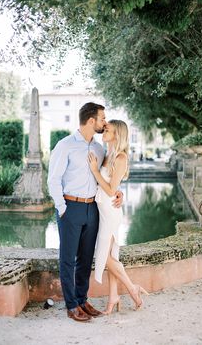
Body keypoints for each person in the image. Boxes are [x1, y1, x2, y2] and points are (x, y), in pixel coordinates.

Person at [47, 102, 122, 322]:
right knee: (68, 260)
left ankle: (82, 299)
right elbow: (53, 180)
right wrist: (62, 209)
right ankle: (71, 306)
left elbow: (110, 177)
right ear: (91, 121)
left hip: (93, 209)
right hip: (71, 208)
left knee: (86, 258)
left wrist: (119, 193)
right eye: (102, 119)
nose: (104, 122)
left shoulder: (99, 149)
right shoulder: (65, 145)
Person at [88, 120, 149, 315]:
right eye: (104, 129)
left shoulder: (120, 157)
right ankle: (113, 296)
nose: (104, 131)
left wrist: (95, 171)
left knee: (103, 256)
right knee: (111, 255)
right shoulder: (107, 155)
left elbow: (110, 189)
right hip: (104, 209)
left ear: (117, 135)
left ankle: (132, 288)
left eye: (108, 130)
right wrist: (118, 190)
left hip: (110, 212)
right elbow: (114, 186)